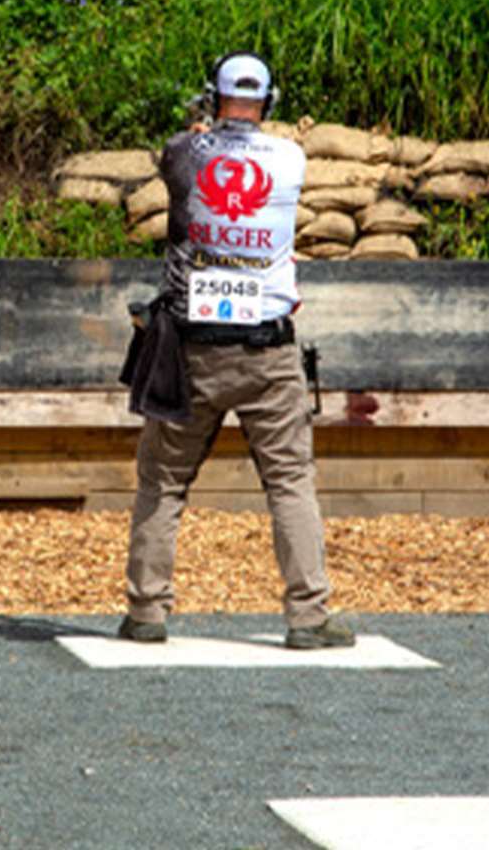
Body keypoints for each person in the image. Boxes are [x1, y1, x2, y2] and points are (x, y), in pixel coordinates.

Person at [118, 51, 353, 650]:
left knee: (163, 483)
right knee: (291, 484)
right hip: (267, 353)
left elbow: (173, 158)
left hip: (188, 350)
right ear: (268, 101)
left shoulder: (184, 154)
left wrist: (199, 126)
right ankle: (308, 616)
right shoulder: (291, 157)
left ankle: (147, 611)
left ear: (211, 96)